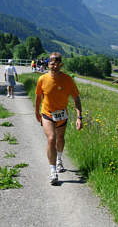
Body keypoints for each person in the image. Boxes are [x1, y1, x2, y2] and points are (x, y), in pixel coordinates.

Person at [35, 52, 83, 185]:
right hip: (47, 113)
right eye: (52, 63)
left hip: (62, 114)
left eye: (57, 63)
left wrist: (79, 117)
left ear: (60, 64)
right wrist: (37, 113)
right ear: (48, 64)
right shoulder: (42, 79)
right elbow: (38, 97)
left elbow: (76, 99)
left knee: (60, 139)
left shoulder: (68, 80)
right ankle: (53, 171)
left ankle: (59, 159)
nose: (54, 66)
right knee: (51, 138)